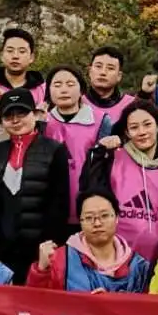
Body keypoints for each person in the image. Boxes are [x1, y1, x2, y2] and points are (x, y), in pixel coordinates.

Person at [0, 89, 69, 283]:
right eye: (8, 116)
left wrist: (52, 243)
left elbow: (60, 202)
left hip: (37, 246)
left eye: (21, 113)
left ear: (35, 114)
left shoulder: (54, 150)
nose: (15, 120)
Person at [79, 101, 158, 263]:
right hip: (120, 258)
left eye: (147, 125)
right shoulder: (114, 158)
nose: (142, 132)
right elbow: (89, 188)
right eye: (134, 127)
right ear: (126, 131)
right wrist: (98, 152)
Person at [42, 65, 110, 217]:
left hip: (89, 207)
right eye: (57, 85)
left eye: (70, 84)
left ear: (82, 90)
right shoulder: (43, 122)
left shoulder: (101, 121)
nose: (64, 90)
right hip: (51, 207)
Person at [85, 46, 133, 125]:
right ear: (90, 71)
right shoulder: (77, 103)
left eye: (110, 68)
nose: (103, 72)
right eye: (98, 66)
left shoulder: (131, 105)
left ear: (119, 76)